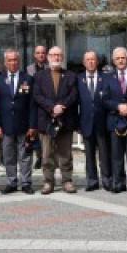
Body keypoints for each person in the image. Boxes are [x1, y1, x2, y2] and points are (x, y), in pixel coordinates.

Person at [32, 46, 79, 194]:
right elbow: (37, 96)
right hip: (46, 120)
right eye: (53, 55)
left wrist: (62, 106)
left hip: (65, 120)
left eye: (59, 55)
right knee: (47, 154)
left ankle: (67, 181)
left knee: (65, 154)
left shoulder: (71, 76)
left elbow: (73, 95)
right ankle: (48, 182)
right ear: (48, 57)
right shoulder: (39, 76)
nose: (56, 58)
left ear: (62, 57)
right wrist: (52, 107)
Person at [0, 49, 36, 194]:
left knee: (25, 156)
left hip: (24, 125)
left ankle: (26, 182)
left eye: (15, 60)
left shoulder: (28, 78)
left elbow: (32, 104)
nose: (13, 63)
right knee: (8, 156)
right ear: (5, 62)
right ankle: (11, 182)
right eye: (10, 60)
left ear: (19, 61)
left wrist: (32, 125)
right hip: (5, 126)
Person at [104, 47, 127, 193]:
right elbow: (105, 99)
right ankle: (118, 183)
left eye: (123, 58)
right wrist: (118, 106)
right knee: (116, 154)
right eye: (117, 58)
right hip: (114, 120)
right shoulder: (108, 78)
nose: (120, 60)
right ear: (113, 61)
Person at [77, 50, 112, 191]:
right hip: (85, 123)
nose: (91, 62)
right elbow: (76, 102)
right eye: (88, 60)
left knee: (104, 154)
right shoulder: (78, 79)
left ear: (97, 62)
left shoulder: (106, 78)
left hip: (102, 123)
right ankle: (92, 181)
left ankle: (107, 180)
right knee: (89, 154)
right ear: (84, 62)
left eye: (93, 59)